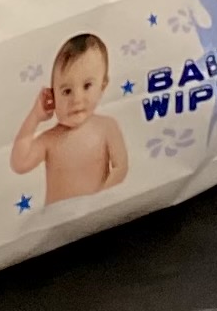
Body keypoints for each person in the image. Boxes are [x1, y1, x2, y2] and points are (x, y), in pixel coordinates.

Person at [10, 37, 128, 206]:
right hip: (57, 222)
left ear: (103, 86)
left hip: (95, 213)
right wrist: (35, 116)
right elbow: (19, 164)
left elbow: (120, 167)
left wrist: (99, 202)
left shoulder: (107, 127)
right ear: (52, 96)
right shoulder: (50, 140)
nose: (77, 99)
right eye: (66, 91)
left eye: (87, 86)